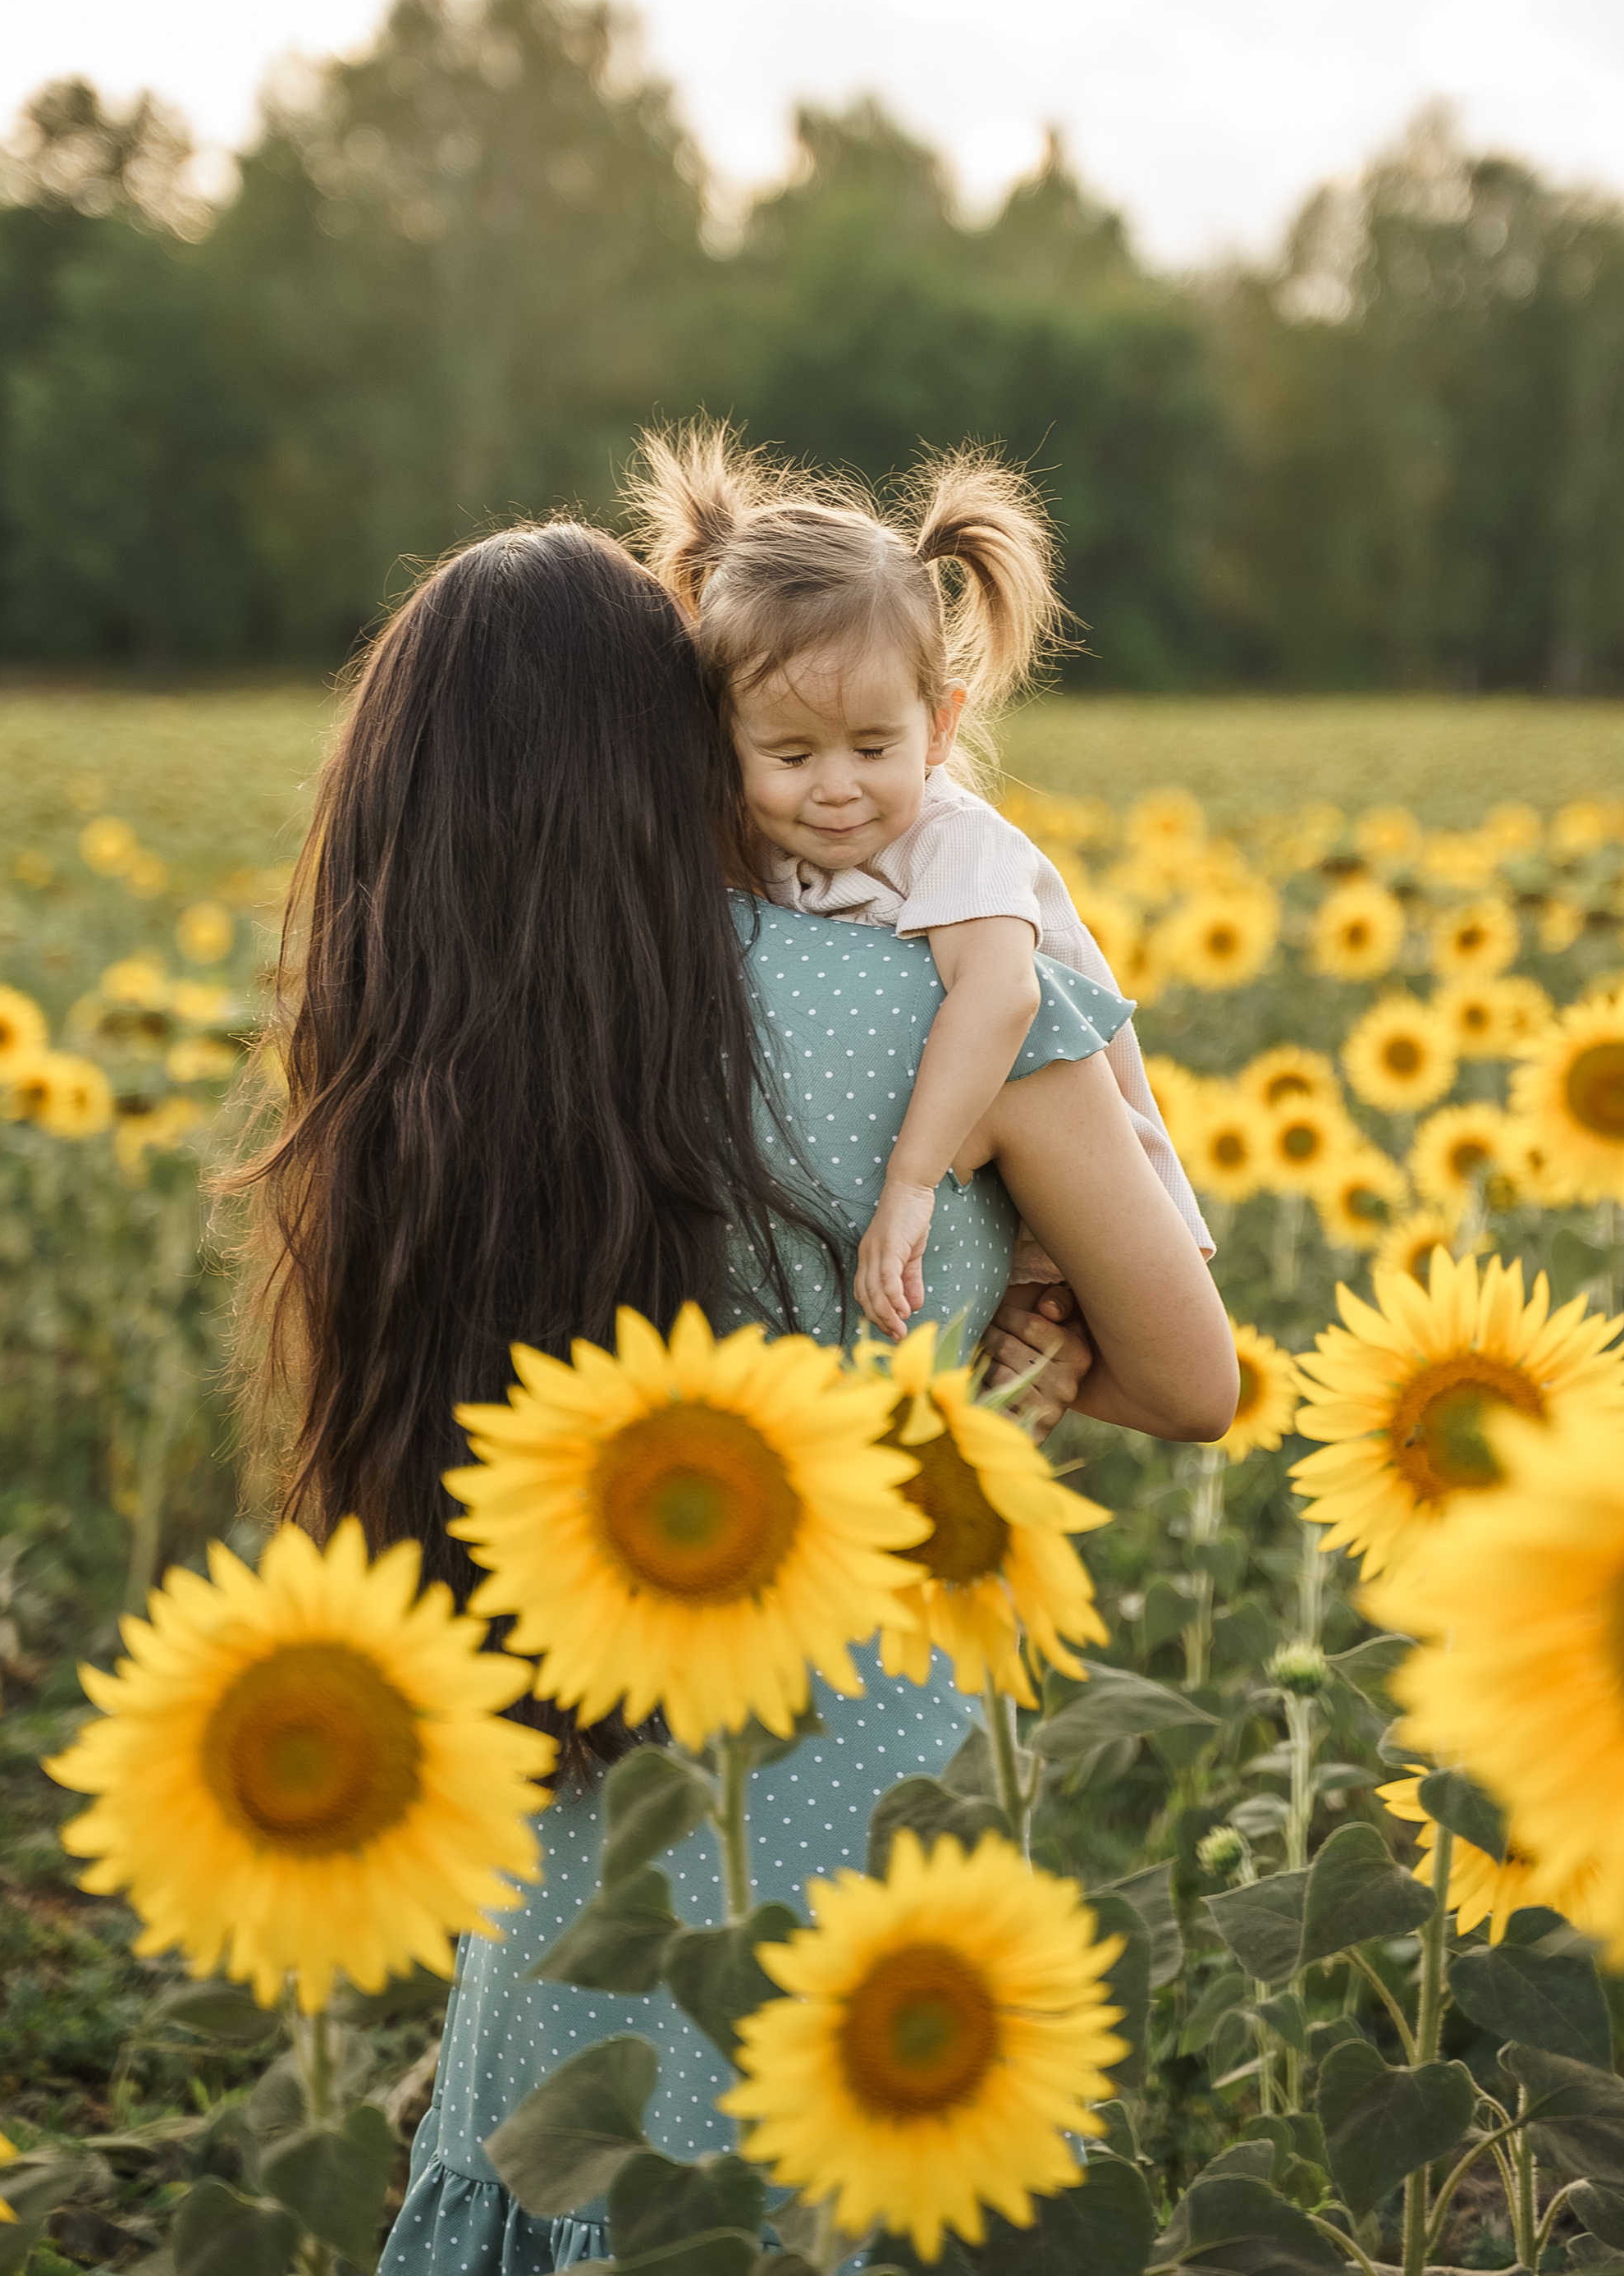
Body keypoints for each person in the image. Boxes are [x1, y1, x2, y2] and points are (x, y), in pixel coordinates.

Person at [227, 518, 1237, 2274]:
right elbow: (1195, 1378)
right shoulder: (934, 1006)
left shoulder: (419, 1077)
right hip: (861, 1882)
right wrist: (1035, 1337)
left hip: (578, 1891)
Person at [627, 426, 1209, 1344]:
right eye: (788, 752)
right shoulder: (750, 829)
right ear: (720, 736)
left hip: (1075, 1204)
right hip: (940, 1224)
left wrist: (909, 1182)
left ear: (939, 729)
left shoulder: (959, 840)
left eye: (872, 748)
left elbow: (1001, 997)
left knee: (1050, 1353)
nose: (835, 787)